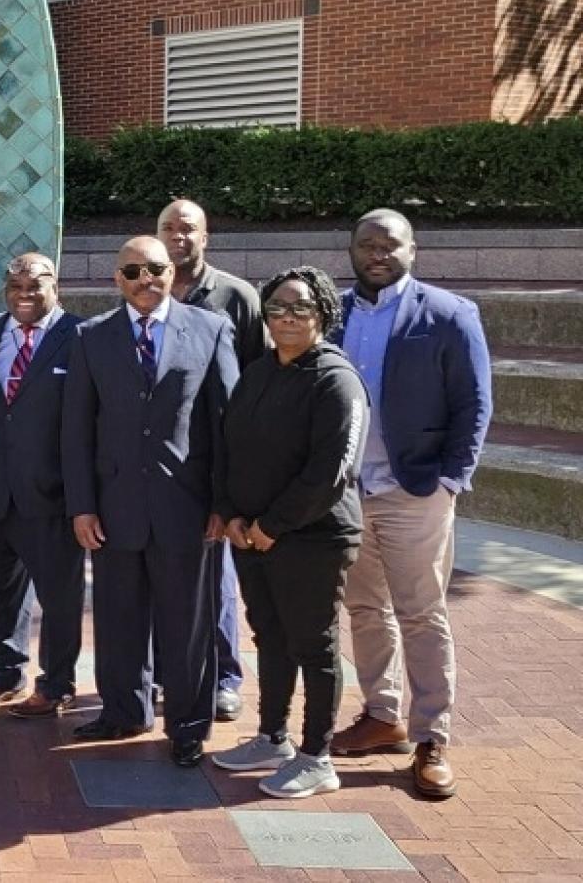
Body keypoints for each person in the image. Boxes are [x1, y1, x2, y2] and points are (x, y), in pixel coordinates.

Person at [328, 209, 492, 799]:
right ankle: (383, 715)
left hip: (414, 489)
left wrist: (452, 480)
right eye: (366, 243)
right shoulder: (335, 313)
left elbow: (474, 404)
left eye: (389, 244)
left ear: (412, 250)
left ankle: (434, 736)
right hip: (349, 492)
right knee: (366, 609)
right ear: (351, 250)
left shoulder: (449, 314)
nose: (377, 253)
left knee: (422, 612)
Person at [62, 236, 238, 767]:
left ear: (172, 273)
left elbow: (226, 427)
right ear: (117, 278)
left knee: (186, 624)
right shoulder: (91, 337)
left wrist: (223, 505)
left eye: (155, 269)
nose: (145, 279)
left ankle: (187, 726)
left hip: (186, 509)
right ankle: (123, 710)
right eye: (133, 270)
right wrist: (82, 505)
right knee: (118, 618)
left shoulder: (210, 330)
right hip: (114, 508)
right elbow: (76, 431)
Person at [211, 267, 368, 798]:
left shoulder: (335, 380)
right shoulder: (258, 372)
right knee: (271, 639)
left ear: (322, 314)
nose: (286, 318)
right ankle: (271, 736)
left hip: (312, 538)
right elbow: (230, 447)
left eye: (300, 308)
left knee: (315, 647)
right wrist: (233, 514)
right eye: (276, 308)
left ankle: (317, 755)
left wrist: (271, 527)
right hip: (253, 536)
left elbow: (329, 472)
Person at [0, 253, 86, 718]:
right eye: (15, 286)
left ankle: (56, 684)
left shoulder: (82, 337)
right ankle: (3, 674)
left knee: (60, 597)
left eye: (35, 285)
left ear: (57, 285)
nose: (24, 294)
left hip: (54, 496)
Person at [157, 199, 267, 722]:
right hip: (162, 464)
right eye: (168, 228)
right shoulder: (148, 291)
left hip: (215, 460)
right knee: (162, 573)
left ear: (207, 237)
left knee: (217, 574)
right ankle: (168, 671)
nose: (178, 236)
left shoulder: (236, 297)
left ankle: (225, 676)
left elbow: (257, 380)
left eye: (188, 229)